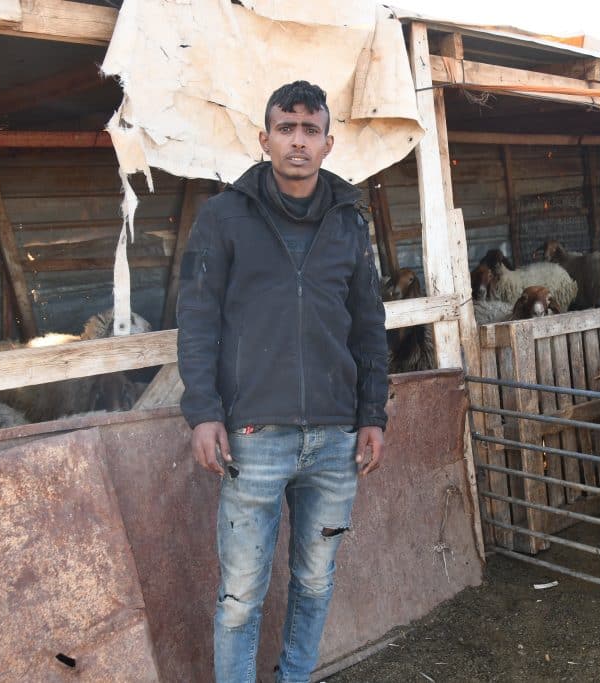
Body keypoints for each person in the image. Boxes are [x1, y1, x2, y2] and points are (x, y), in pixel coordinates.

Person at [176, 80, 389, 683]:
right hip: (253, 437)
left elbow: (369, 325)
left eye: (310, 130)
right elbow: (196, 318)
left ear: (328, 143)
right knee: (241, 592)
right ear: (264, 138)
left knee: (316, 579)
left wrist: (372, 415)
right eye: (286, 128)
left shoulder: (349, 222)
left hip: (335, 439)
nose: (298, 141)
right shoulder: (223, 217)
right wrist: (203, 412)